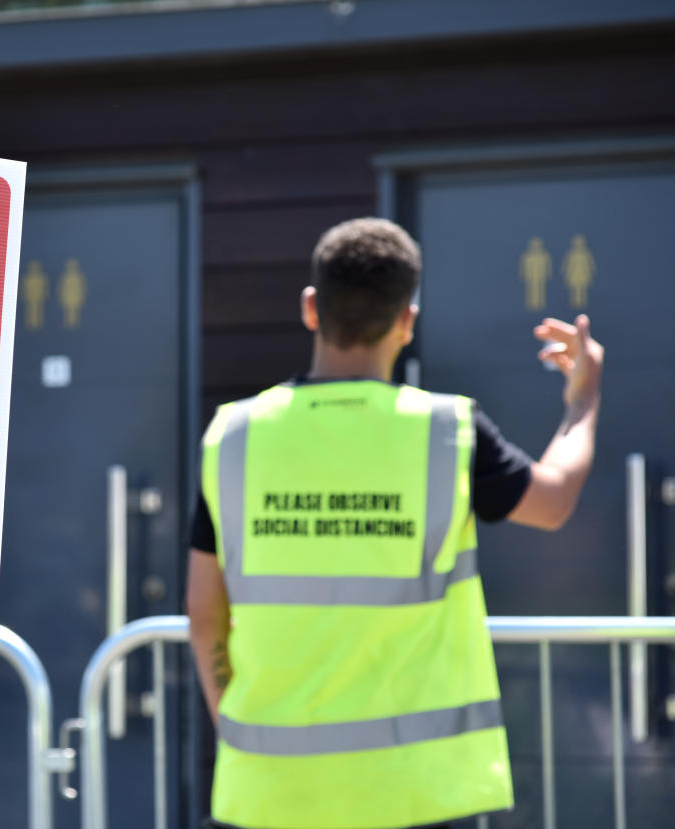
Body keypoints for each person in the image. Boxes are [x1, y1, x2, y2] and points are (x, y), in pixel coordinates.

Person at [185, 217, 603, 829]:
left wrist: (248, 738)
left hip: (268, 794)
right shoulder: (447, 430)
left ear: (310, 308)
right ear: (407, 320)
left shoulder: (234, 437)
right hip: (415, 797)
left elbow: (203, 615)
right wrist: (583, 399)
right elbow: (554, 498)